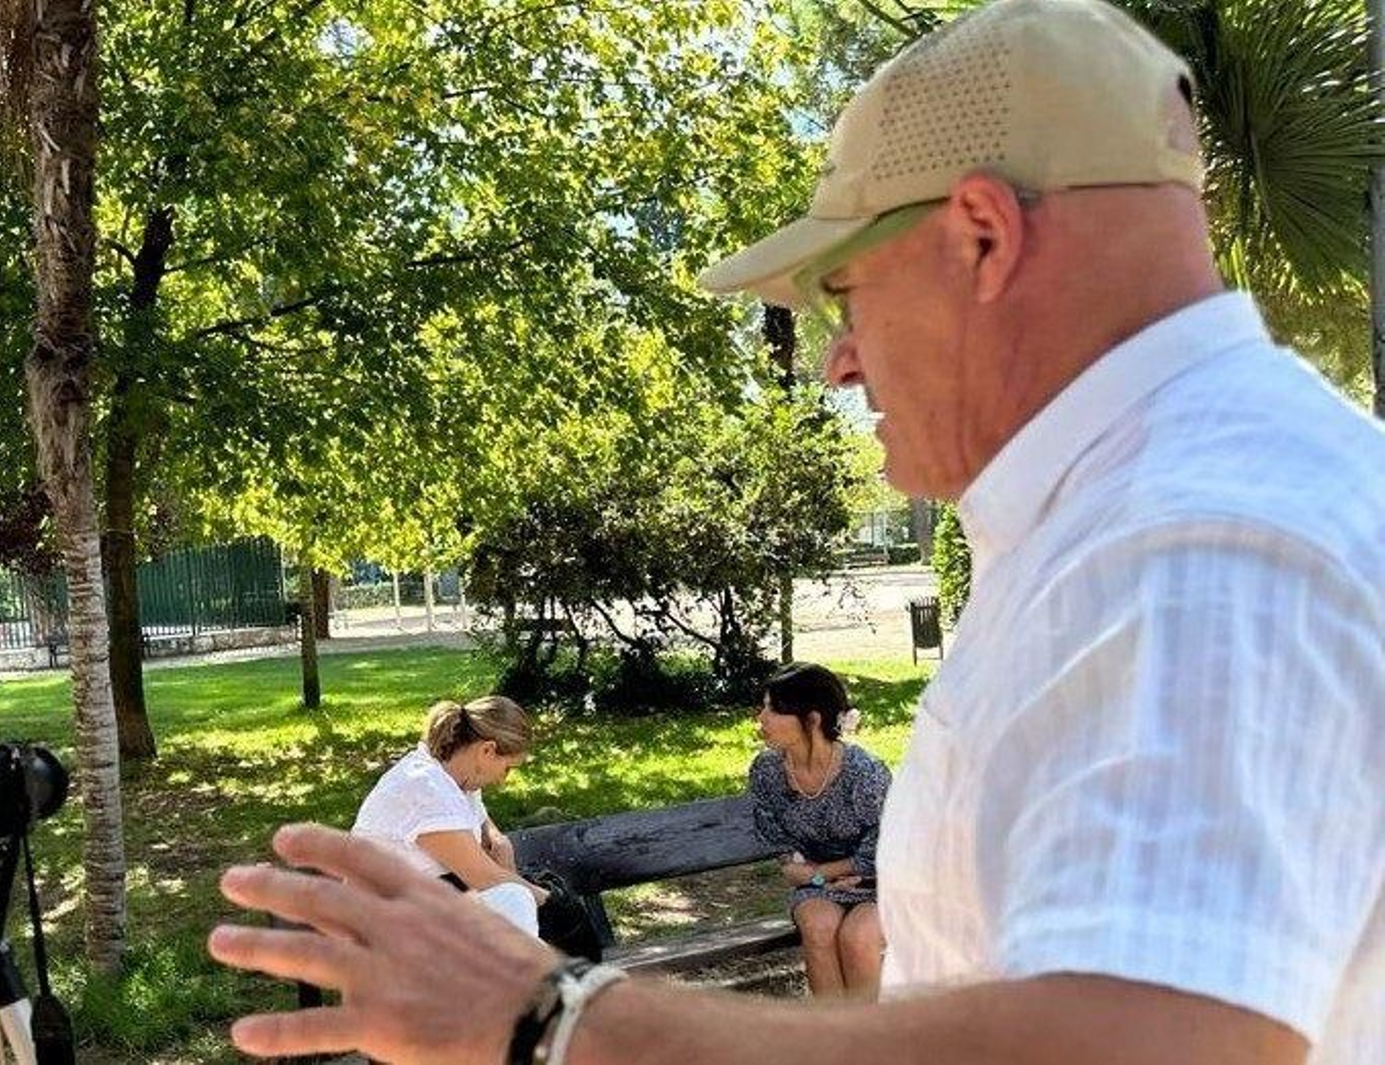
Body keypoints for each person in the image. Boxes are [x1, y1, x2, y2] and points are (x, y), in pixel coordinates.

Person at [207, 1, 1385, 1062]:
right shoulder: (1194, 504)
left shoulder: (1194, 548)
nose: (837, 355)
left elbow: (1143, 1043)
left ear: (982, 234)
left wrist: (555, 1017)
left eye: (846, 291)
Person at [748, 662, 888, 1000]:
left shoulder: (863, 773)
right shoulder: (767, 771)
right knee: (818, 925)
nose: (761, 718)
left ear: (812, 720)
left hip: (880, 883)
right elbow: (775, 837)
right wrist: (799, 870)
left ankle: (875, 1043)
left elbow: (885, 849)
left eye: (773, 709)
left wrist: (819, 873)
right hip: (818, 886)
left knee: (858, 937)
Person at [351, 695, 547, 934]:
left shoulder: (452, 776)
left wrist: (497, 839)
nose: (502, 780)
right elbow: (485, 877)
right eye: (507, 768)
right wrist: (548, 899)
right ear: (487, 750)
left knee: (511, 903)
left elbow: (479, 817)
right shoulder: (426, 788)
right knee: (514, 898)